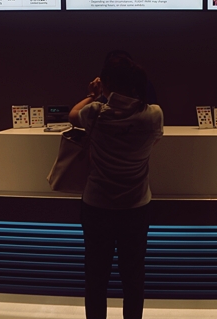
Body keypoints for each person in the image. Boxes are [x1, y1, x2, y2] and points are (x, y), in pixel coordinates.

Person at [69, 56, 163, 319]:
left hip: (97, 206)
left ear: (106, 83)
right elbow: (154, 142)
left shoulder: (94, 113)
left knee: (96, 277)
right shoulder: (153, 115)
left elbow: (73, 114)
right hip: (135, 207)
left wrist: (93, 95)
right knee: (133, 277)